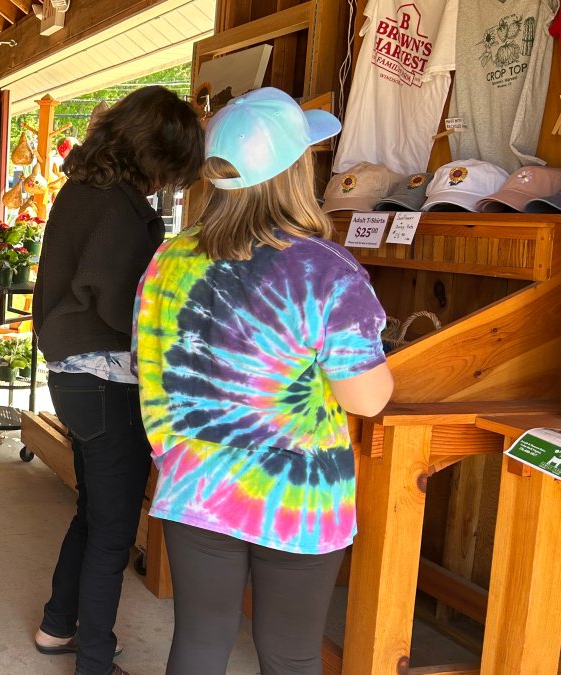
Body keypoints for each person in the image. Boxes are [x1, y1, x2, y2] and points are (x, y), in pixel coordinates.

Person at [134, 87, 393, 673]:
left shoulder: (169, 259)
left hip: (196, 484)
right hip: (296, 497)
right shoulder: (325, 271)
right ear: (295, 171)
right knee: (290, 653)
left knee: (199, 642)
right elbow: (368, 399)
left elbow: (148, 362)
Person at [30, 85, 204, 675]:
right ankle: (94, 660)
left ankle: (59, 626)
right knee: (114, 529)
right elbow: (127, 305)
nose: (169, 183)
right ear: (155, 152)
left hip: (76, 376)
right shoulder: (123, 209)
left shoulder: (84, 188)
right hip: (107, 379)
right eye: (172, 169)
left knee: (94, 513)